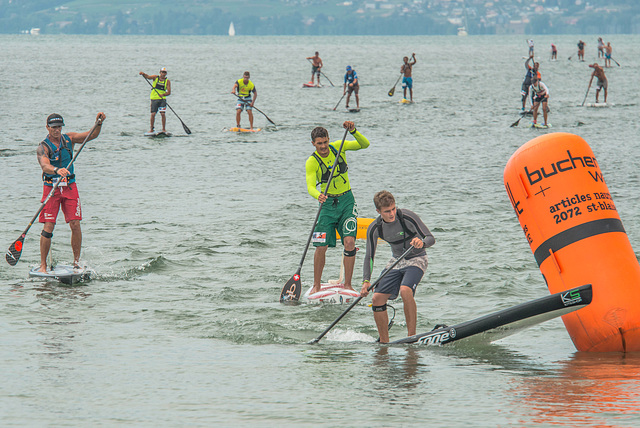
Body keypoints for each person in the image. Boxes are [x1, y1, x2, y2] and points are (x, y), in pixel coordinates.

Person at [359, 191, 435, 343]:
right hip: (396, 261)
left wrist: (422, 243)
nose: (392, 213)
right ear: (378, 212)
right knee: (377, 298)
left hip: (417, 258)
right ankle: (384, 343)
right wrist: (366, 280)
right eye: (387, 211)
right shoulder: (375, 228)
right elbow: (369, 256)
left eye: (393, 209)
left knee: (405, 290)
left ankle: (411, 337)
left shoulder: (407, 217)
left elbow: (430, 238)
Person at [305, 121, 370, 295]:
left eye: (325, 142)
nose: (324, 146)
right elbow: (310, 185)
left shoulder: (338, 147)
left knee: (349, 242)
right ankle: (317, 285)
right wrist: (317, 195)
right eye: (320, 144)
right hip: (326, 204)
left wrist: (353, 131)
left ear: (328, 140)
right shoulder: (312, 162)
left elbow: (365, 144)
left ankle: (348, 284)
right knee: (321, 246)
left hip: (347, 201)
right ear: (313, 144)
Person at [36, 112, 106, 272]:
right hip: (51, 188)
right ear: (47, 127)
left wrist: (99, 123)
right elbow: (44, 165)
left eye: (59, 127)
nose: (57, 130)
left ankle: (76, 262)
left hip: (69, 187)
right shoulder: (43, 147)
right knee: (49, 226)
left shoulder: (69, 139)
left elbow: (91, 135)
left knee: (75, 224)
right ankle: (43, 265)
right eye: (53, 127)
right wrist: (56, 170)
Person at [139, 68, 171, 133]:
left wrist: (163, 94)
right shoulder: (155, 77)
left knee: (162, 114)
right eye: (162, 72)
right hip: (154, 99)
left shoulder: (167, 81)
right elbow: (148, 77)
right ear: (160, 72)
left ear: (166, 74)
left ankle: (163, 129)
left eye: (164, 72)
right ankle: (151, 129)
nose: (163, 74)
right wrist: (143, 74)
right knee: (153, 114)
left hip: (162, 100)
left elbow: (169, 92)